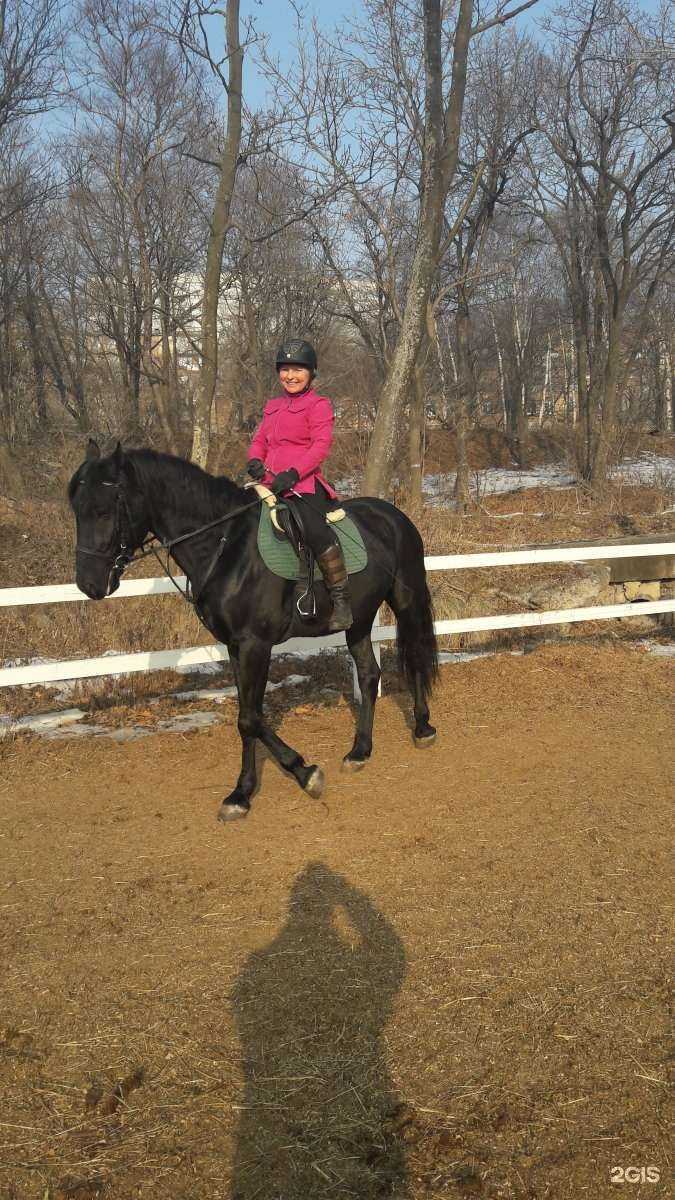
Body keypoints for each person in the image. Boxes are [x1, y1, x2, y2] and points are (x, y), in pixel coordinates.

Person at [246, 339, 353, 632]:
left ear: (311, 373)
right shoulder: (273, 406)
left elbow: (321, 446)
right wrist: (255, 460)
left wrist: (294, 473)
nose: (290, 376)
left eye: (297, 370)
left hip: (302, 484)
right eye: (285, 370)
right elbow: (259, 441)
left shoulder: (318, 405)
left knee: (313, 529)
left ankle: (341, 599)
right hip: (267, 482)